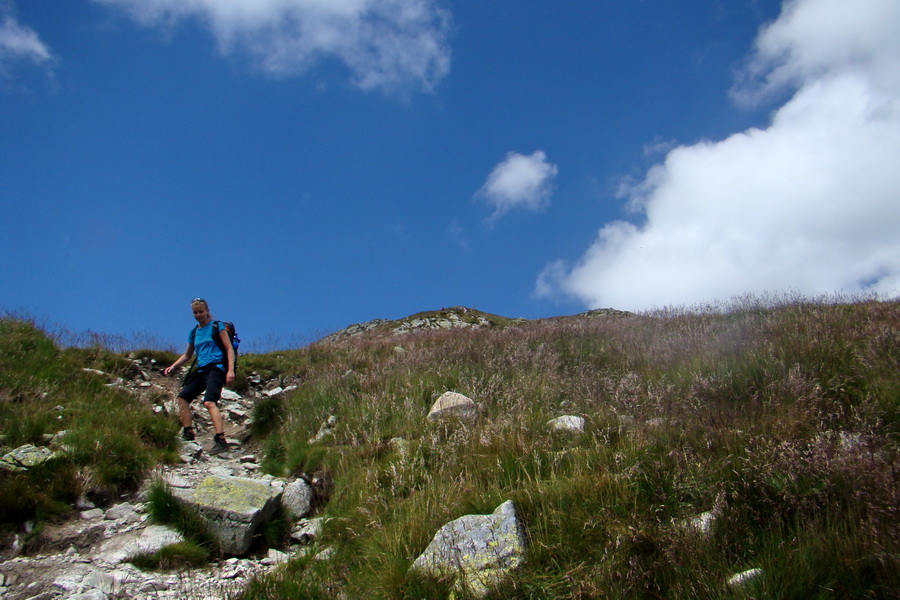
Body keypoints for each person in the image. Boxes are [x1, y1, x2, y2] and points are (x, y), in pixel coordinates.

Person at [164, 298, 235, 455]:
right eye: (195, 312)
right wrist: (173, 366)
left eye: (201, 312)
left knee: (209, 402)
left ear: (207, 311)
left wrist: (230, 371)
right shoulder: (194, 332)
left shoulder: (217, 327)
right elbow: (187, 354)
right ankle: (188, 433)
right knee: (182, 399)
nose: (198, 315)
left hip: (216, 368)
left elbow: (229, 349)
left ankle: (221, 439)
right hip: (201, 370)